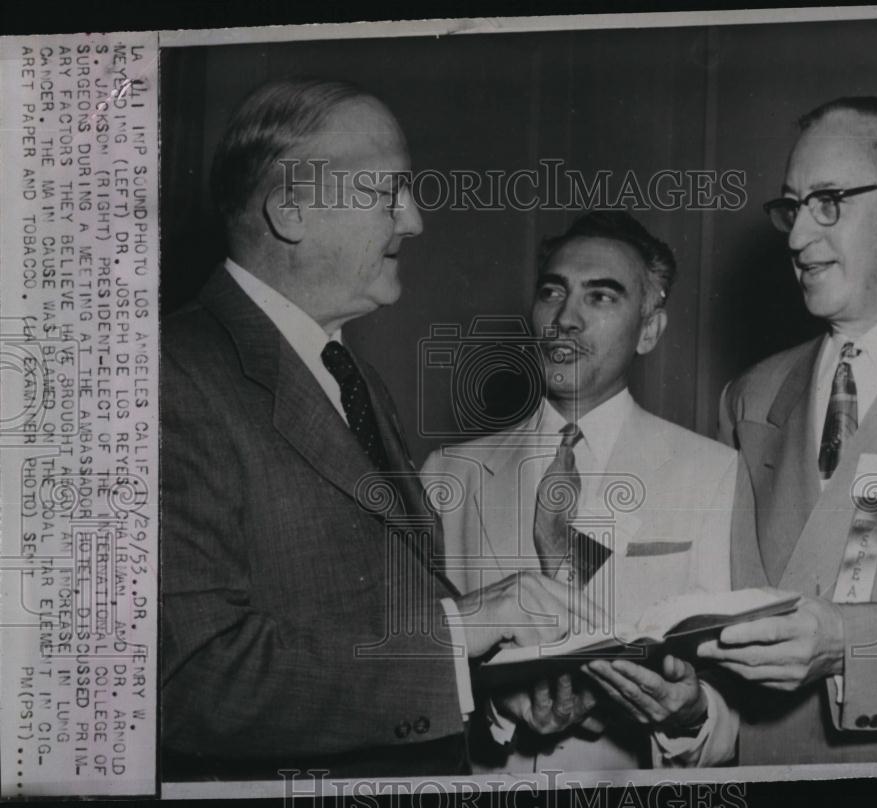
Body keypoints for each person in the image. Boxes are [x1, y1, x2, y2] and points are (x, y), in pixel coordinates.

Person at [160, 77, 586, 780]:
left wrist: (494, 686)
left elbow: (387, 611)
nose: (413, 221)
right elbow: (192, 680)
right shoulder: (172, 376)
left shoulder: (346, 373)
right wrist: (460, 631)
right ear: (291, 210)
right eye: (385, 193)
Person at [705, 97, 877, 764]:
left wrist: (849, 643)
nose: (798, 237)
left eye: (829, 201)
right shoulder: (750, 397)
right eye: (792, 207)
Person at [422, 212, 740, 771]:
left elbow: (738, 704)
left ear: (649, 330)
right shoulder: (451, 473)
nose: (564, 319)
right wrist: (495, 707)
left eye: (601, 297)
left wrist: (688, 717)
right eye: (553, 292)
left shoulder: (714, 473)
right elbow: (415, 674)